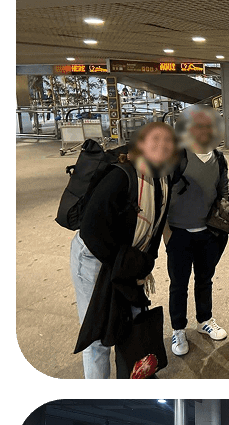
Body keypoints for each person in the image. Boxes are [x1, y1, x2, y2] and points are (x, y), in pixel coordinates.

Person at [72, 122, 176, 378]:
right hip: (94, 259)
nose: (162, 146)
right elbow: (92, 231)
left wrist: (144, 265)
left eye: (167, 142)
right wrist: (127, 267)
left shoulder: (163, 178)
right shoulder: (121, 176)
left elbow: (156, 228)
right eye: (155, 140)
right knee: (99, 335)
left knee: (129, 323)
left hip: (125, 259)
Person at [165, 107, 229, 356]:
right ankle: (178, 329)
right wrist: (166, 233)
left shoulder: (219, 158)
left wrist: (222, 221)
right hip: (179, 233)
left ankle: (205, 320)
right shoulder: (176, 157)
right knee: (178, 283)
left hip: (209, 232)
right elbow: (162, 196)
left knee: (205, 279)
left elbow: (223, 190)